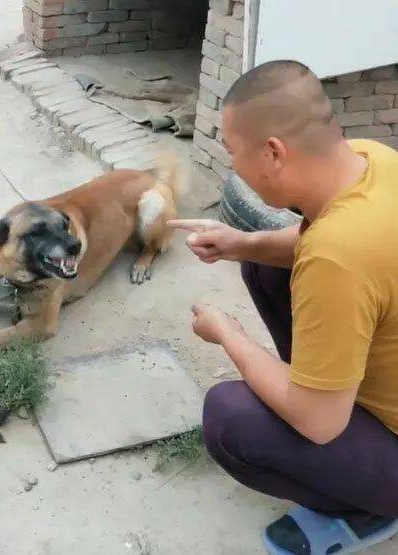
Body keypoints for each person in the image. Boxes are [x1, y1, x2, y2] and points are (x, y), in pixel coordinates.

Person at [169, 60, 398, 555]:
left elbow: (319, 423)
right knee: (264, 263)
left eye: (233, 153)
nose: (233, 166)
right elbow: (312, 237)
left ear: (273, 152)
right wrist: (239, 243)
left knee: (230, 418)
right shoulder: (369, 158)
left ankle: (368, 508)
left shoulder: (339, 257)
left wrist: (228, 333)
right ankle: (329, 395)